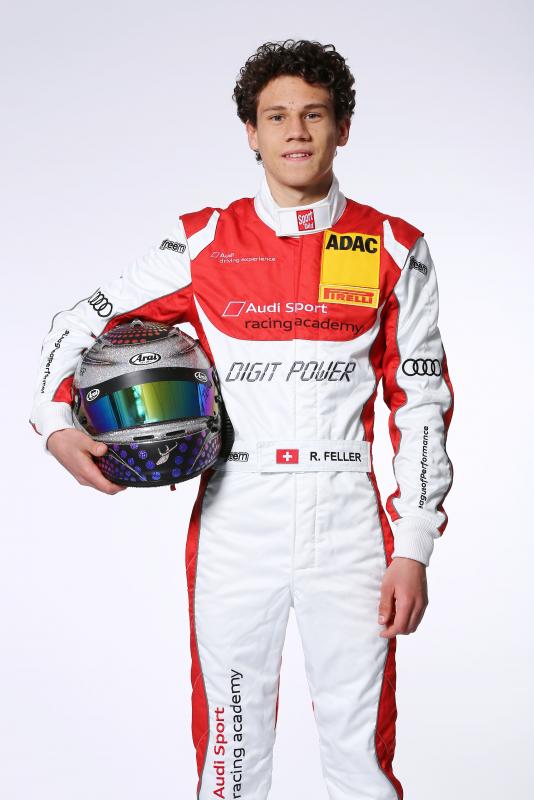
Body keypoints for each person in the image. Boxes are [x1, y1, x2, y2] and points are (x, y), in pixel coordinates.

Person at [29, 39, 454, 800]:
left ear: (343, 127)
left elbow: (421, 402)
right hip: (237, 516)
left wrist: (414, 544)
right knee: (230, 759)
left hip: (351, 525)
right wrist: (55, 421)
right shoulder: (203, 241)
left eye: (314, 115)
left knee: (359, 758)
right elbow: (77, 323)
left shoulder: (394, 246)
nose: (297, 131)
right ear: (251, 133)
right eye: (277, 117)